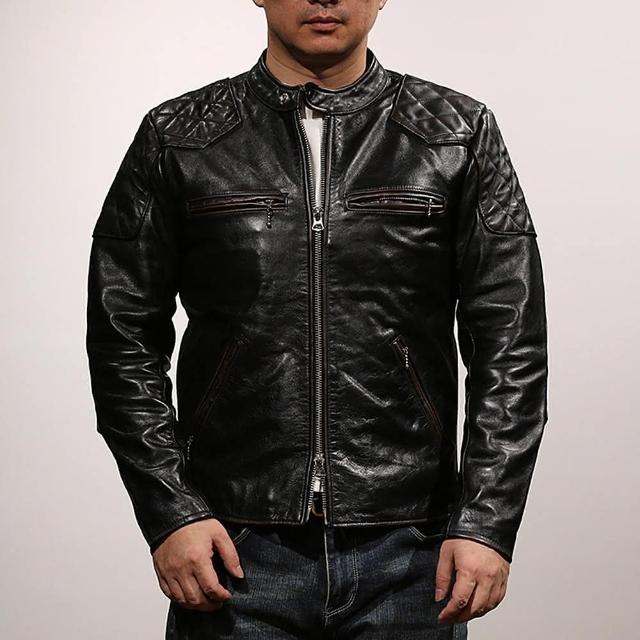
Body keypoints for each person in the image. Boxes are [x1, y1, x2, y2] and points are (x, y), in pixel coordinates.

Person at [85, 0, 548, 637]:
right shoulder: (180, 136)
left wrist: (486, 521)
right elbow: (121, 338)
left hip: (413, 548)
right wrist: (171, 512)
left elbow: (512, 345)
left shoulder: (456, 132)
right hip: (233, 546)